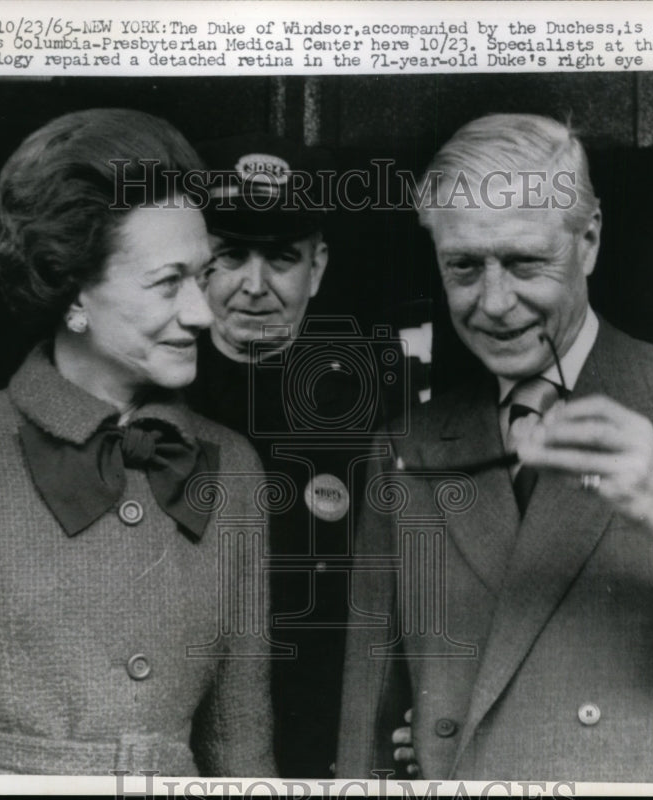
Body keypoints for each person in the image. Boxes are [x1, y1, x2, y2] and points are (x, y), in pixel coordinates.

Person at [335, 114, 653, 782]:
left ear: (590, 241)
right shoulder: (409, 446)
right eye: (463, 266)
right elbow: (367, 733)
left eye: (524, 263)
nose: (493, 302)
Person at [0, 109, 275, 776]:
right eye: (169, 283)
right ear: (74, 291)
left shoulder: (235, 469)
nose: (201, 312)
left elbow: (243, 751)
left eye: (203, 275)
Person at [188, 135, 405, 779]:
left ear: (318, 266)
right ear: (199, 264)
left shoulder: (372, 401)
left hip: (321, 716)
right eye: (230, 256)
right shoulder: (159, 386)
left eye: (281, 258)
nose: (254, 287)